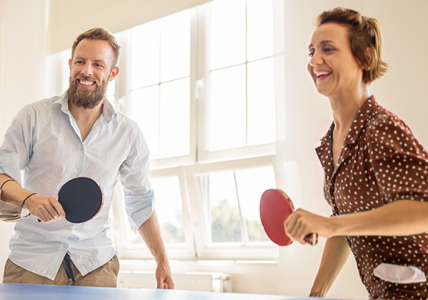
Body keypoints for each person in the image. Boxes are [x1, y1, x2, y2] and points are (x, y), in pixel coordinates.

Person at [0, 27, 174, 289]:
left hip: (96, 264)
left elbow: (140, 201)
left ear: (112, 73)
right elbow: (3, 174)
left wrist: (162, 260)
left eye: (97, 64)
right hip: (31, 263)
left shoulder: (128, 133)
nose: (87, 71)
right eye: (80, 62)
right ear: (70, 65)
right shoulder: (33, 117)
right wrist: (30, 200)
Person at [284, 7, 428, 299]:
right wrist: (316, 294)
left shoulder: (380, 127)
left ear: (364, 58)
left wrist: (330, 224)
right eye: (311, 51)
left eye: (328, 49)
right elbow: (343, 228)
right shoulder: (331, 142)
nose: (314, 60)